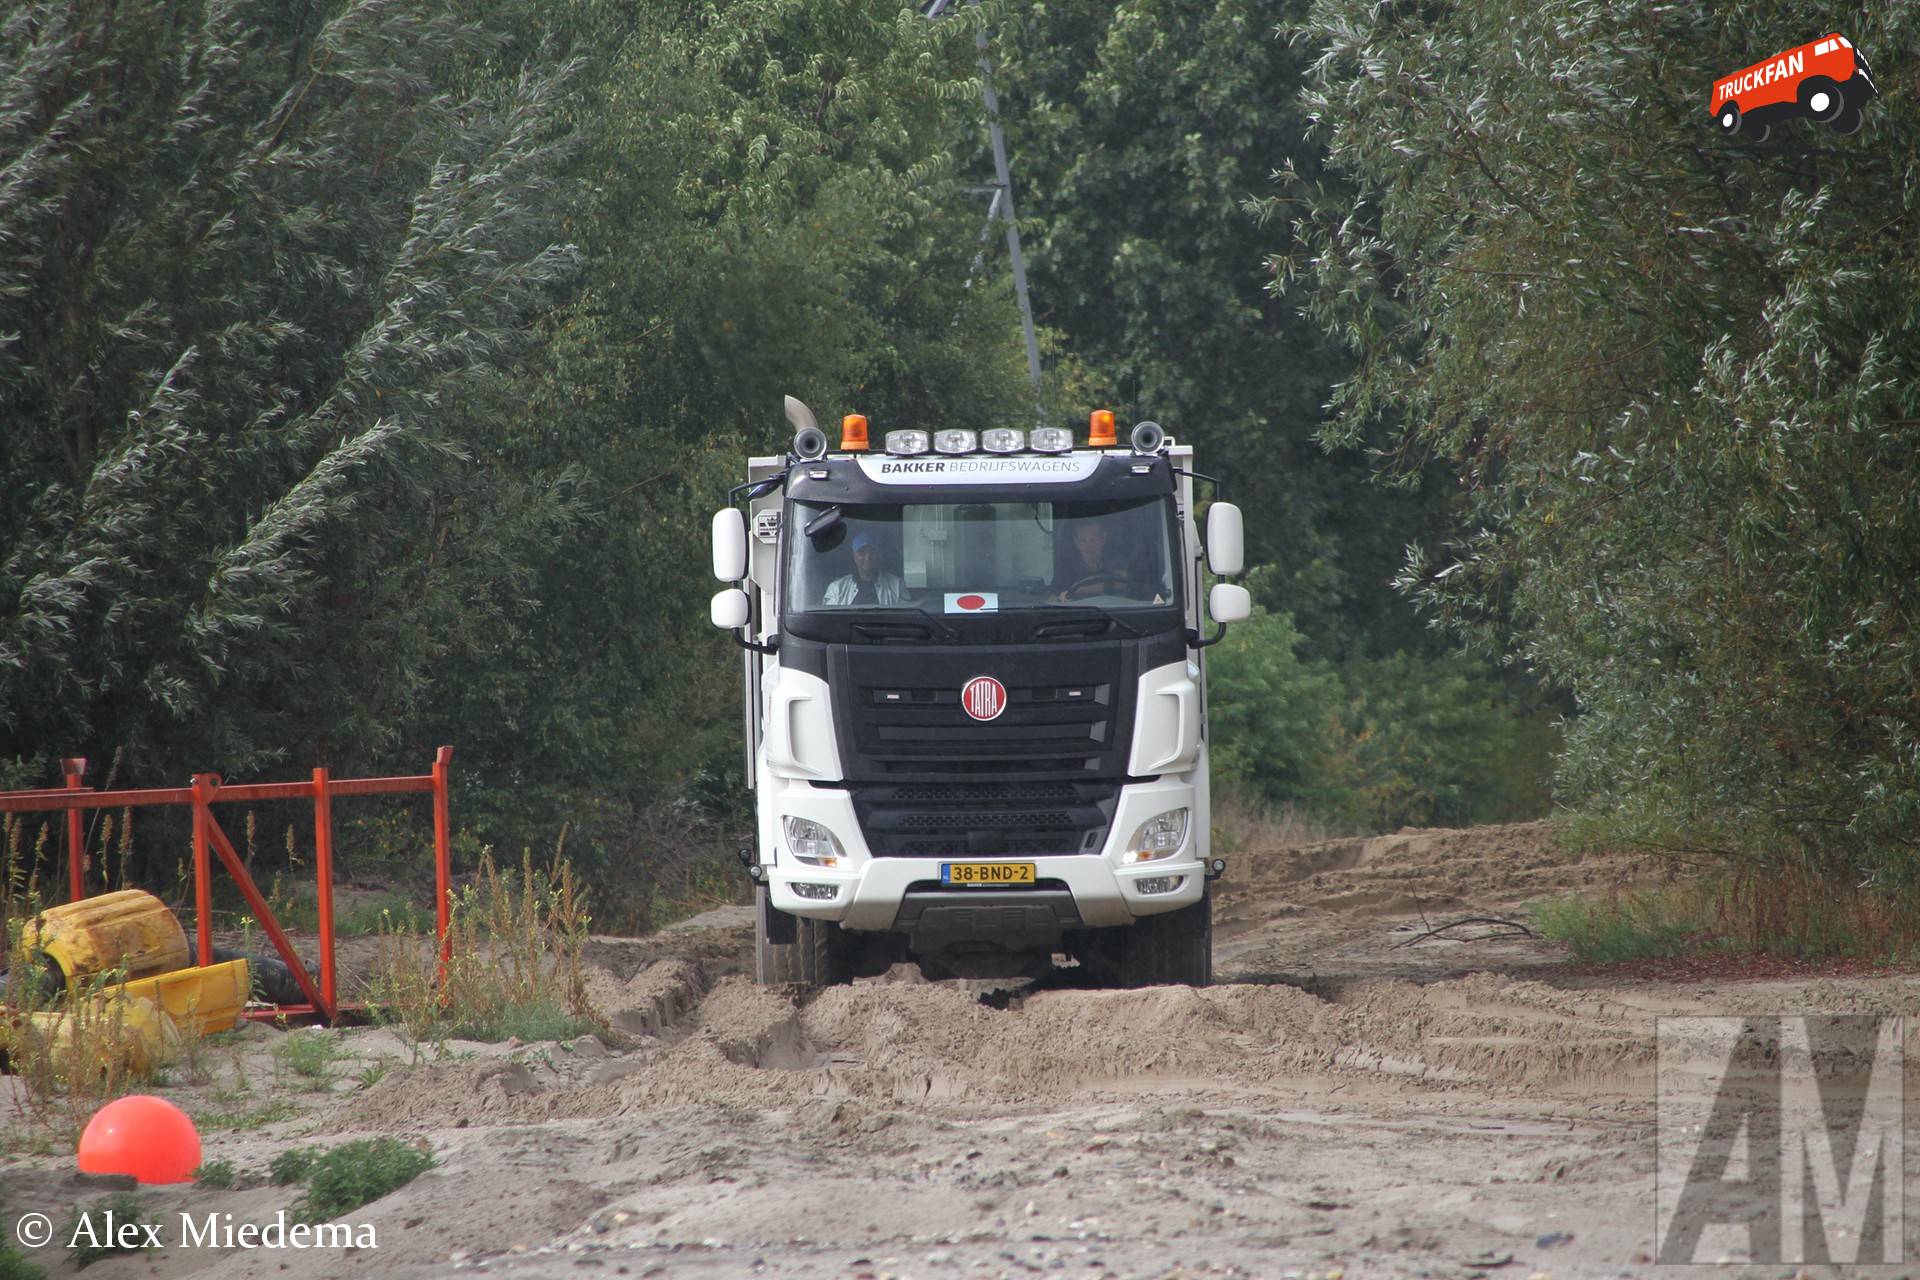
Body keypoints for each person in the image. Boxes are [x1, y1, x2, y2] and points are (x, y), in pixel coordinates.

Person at [1053, 521, 1152, 602]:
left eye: (1094, 540)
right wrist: (1059, 598)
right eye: (1083, 541)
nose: (1089, 547)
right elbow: (1051, 597)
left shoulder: (1118, 562)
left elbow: (1127, 582)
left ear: (1103, 539)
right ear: (1076, 543)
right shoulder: (1066, 569)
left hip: (1117, 615)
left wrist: (1083, 590)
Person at [824, 530, 904, 606]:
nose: (867, 558)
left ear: (878, 554)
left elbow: (905, 618)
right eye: (861, 552)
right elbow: (829, 619)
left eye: (872, 551)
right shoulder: (837, 588)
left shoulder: (897, 586)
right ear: (854, 555)